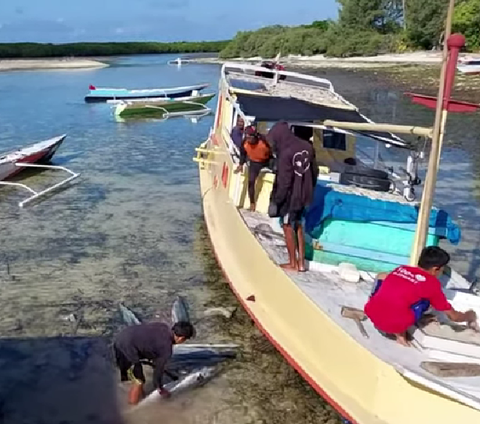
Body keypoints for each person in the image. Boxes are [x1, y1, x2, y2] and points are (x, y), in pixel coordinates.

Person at [364, 246, 477, 347]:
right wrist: (469, 315)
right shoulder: (431, 285)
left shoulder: (402, 269)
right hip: (393, 326)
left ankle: (377, 306)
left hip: (372, 314)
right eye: (442, 269)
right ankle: (400, 335)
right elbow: (454, 317)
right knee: (428, 301)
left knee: (382, 276)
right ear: (435, 269)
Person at [266, 121, 318, 272]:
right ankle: (301, 263)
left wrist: (277, 200)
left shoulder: (286, 152)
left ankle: (292, 263)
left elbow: (284, 182)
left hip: (291, 197)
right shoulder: (309, 148)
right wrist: (310, 189)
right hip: (305, 196)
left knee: (288, 226)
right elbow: (315, 172)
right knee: (299, 225)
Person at [113, 321, 195, 404]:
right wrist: (160, 389)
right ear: (181, 338)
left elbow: (149, 343)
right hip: (126, 349)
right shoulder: (166, 349)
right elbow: (158, 372)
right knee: (139, 381)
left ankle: (141, 398)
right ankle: (133, 409)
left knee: (135, 375)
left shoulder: (162, 326)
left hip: (121, 338)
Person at [234, 126, 272, 211]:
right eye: (247, 137)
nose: (249, 139)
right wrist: (240, 164)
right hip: (254, 162)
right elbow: (243, 154)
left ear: (256, 136)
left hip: (267, 161)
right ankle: (252, 203)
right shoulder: (245, 142)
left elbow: (273, 151)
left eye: (251, 137)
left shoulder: (264, 141)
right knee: (251, 181)